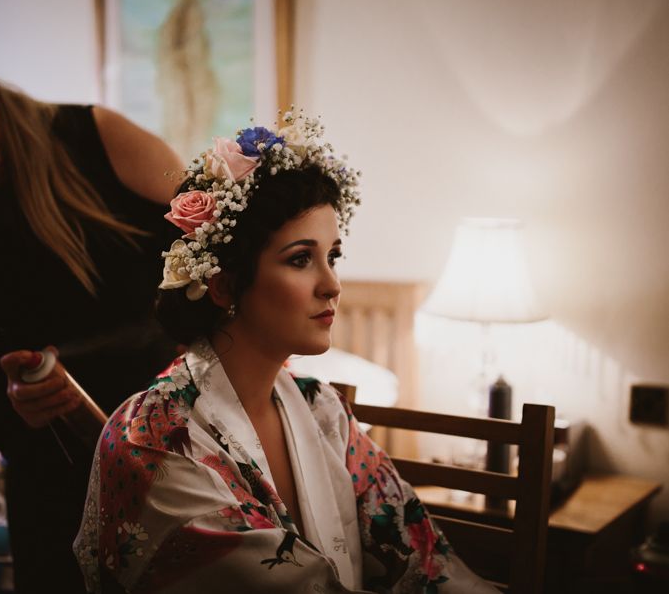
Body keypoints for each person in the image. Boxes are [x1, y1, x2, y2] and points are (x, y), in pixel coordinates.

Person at [74, 111, 499, 593]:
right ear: (223, 285)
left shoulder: (323, 411)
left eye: (332, 256)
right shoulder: (155, 441)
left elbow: (422, 555)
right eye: (301, 259)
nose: (333, 285)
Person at [0, 36, 183, 593]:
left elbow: (214, 249)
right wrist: (12, 407)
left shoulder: (94, 135)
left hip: (178, 442)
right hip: (56, 482)